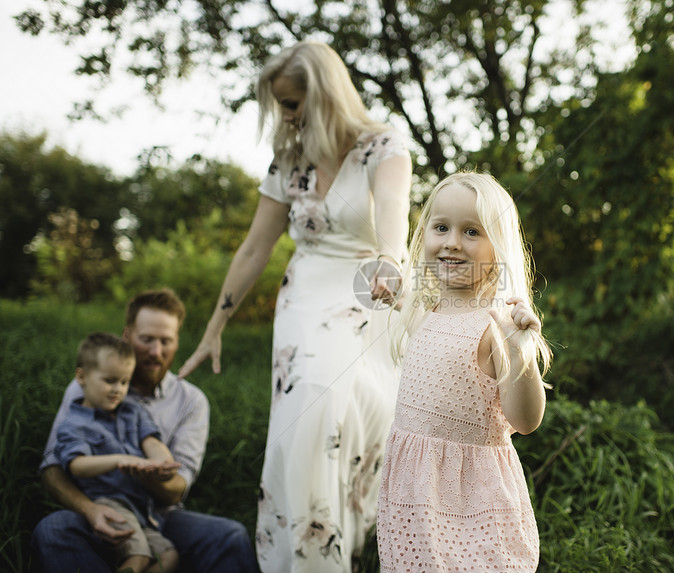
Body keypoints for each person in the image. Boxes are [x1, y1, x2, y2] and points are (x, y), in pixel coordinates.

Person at [177, 41, 412, 572]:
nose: (284, 114)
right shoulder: (287, 162)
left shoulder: (383, 146)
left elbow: (394, 210)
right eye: (280, 104)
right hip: (306, 296)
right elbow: (255, 247)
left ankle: (350, 547)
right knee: (308, 411)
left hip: (368, 288)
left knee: (359, 423)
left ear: (325, 93)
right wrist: (215, 325)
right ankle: (309, 560)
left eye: (289, 102)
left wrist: (391, 262)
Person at [376, 172, 553, 572]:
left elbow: (525, 421)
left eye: (471, 231)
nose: (452, 241)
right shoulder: (423, 311)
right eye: (442, 227)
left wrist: (517, 349)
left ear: (498, 248)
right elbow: (393, 287)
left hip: (470, 503)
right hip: (414, 496)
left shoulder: (495, 324)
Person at [32, 288, 258, 573]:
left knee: (230, 536)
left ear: (177, 342)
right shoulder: (88, 386)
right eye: (147, 339)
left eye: (166, 341)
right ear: (127, 336)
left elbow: (177, 488)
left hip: (159, 516)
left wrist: (154, 472)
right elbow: (52, 466)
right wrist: (91, 511)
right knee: (52, 529)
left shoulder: (191, 401)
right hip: (97, 507)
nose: (156, 351)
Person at [56, 332, 180, 573]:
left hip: (141, 509)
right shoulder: (75, 423)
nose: (118, 390)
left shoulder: (132, 413)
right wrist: (119, 460)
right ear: (81, 376)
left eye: (124, 382)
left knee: (169, 556)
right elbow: (76, 465)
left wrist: (161, 462)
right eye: (110, 380)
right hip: (108, 503)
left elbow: (151, 441)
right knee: (139, 556)